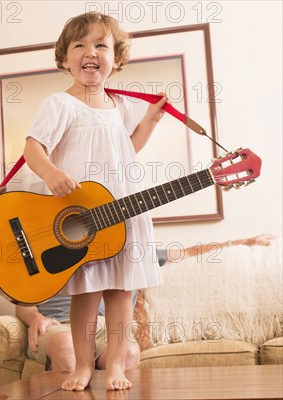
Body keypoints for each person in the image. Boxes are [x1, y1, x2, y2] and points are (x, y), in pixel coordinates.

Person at [22, 12, 168, 390]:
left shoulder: (120, 106)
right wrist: (52, 174)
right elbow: (33, 147)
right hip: (82, 217)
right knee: (86, 293)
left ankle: (116, 366)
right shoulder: (61, 104)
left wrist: (149, 122)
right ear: (65, 58)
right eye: (80, 45)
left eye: (101, 45)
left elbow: (126, 152)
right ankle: (84, 366)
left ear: (115, 59)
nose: (91, 52)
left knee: (121, 291)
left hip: (121, 209)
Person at [16, 234, 277, 383]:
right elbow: (22, 303)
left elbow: (188, 252)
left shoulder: (131, 253)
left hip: (109, 329)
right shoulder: (51, 251)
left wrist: (242, 242)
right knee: (67, 348)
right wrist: (36, 317)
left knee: (128, 352)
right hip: (60, 326)